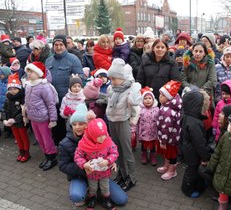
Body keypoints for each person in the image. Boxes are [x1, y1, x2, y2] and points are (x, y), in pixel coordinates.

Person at [58, 104, 128, 207]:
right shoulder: (65, 143)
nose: (77, 127)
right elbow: (63, 165)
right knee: (76, 196)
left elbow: (112, 151)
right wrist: (84, 168)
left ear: (89, 124)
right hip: (80, 175)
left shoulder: (102, 137)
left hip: (101, 174)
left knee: (121, 199)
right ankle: (89, 192)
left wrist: (112, 162)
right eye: (74, 124)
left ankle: (99, 191)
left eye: (81, 124)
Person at [106, 58, 141, 191]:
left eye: (114, 78)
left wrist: (134, 87)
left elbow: (135, 102)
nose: (112, 81)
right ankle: (122, 175)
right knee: (116, 151)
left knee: (127, 152)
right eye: (111, 78)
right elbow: (109, 102)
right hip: (112, 122)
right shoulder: (113, 88)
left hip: (123, 122)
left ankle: (131, 178)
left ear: (122, 78)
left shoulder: (128, 89)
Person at [45, 34, 83, 145]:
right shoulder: (49, 61)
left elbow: (80, 77)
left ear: (65, 45)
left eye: (61, 44)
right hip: (52, 101)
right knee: (55, 127)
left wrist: (75, 78)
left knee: (68, 129)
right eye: (56, 45)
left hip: (67, 102)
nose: (58, 47)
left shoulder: (73, 59)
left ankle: (70, 150)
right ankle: (58, 148)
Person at [74, 115, 119, 210]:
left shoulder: (108, 141)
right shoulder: (84, 143)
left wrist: (108, 160)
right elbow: (77, 156)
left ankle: (106, 201)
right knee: (92, 187)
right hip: (92, 173)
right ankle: (92, 200)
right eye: (99, 137)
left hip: (104, 172)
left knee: (105, 187)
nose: (103, 138)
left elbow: (114, 152)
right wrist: (84, 164)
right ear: (91, 135)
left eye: (104, 134)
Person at [23, 62, 58, 171]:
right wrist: (26, 114)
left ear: (39, 73)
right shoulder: (29, 85)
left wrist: (53, 119)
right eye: (27, 71)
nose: (29, 74)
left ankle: (52, 158)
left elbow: (51, 104)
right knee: (39, 138)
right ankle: (46, 156)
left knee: (46, 139)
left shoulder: (44, 87)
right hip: (33, 118)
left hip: (43, 118)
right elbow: (26, 102)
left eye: (31, 71)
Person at [181, 90, 212, 198]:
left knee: (193, 168)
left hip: (188, 147)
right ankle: (187, 189)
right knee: (191, 169)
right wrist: (205, 157)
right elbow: (199, 143)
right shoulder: (195, 123)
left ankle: (199, 184)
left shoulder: (189, 116)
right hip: (192, 150)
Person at [156, 80, 182, 181]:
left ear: (169, 98)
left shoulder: (168, 111)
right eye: (160, 94)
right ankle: (167, 166)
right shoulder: (166, 106)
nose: (160, 97)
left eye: (163, 95)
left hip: (170, 139)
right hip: (168, 138)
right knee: (167, 153)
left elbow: (166, 128)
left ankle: (172, 171)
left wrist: (163, 141)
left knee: (172, 154)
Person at [3, 73, 30, 162]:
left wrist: (14, 120)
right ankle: (21, 152)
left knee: (23, 138)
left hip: (20, 122)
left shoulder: (23, 98)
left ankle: (26, 153)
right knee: (18, 138)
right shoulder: (8, 99)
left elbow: (23, 112)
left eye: (14, 88)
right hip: (12, 123)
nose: (12, 91)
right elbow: (5, 110)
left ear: (19, 88)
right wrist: (5, 119)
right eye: (10, 89)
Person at [137, 86, 159, 165]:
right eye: (145, 99)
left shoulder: (156, 109)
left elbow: (159, 120)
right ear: (142, 100)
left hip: (153, 131)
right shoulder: (140, 109)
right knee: (144, 145)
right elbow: (137, 121)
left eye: (150, 98)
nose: (148, 100)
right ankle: (144, 155)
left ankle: (153, 156)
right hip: (143, 132)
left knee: (152, 146)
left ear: (153, 100)